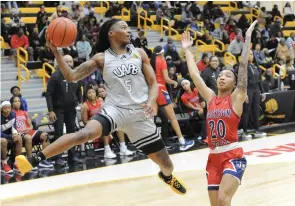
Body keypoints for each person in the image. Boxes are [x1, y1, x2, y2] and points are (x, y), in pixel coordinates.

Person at [16, 19, 186, 195]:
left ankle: (166, 176)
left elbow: (153, 83)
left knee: (167, 165)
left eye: (128, 28)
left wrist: (151, 101)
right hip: (115, 110)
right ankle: (33, 160)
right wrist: (56, 53)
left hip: (140, 113)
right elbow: (72, 76)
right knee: (84, 134)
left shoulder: (140, 53)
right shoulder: (101, 58)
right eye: (123, 27)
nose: (129, 31)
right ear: (111, 33)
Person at [181, 20, 259, 205]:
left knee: (224, 199)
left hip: (232, 154)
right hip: (213, 156)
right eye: (221, 75)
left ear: (234, 83)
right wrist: (187, 50)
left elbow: (242, 65)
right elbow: (194, 75)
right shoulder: (210, 98)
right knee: (217, 204)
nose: (223, 77)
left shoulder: (237, 96)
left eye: (228, 75)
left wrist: (247, 39)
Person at [151, 46, 195, 151]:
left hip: (151, 90)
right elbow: (166, 78)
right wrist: (174, 82)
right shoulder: (161, 61)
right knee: (172, 117)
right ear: (162, 53)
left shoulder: (149, 61)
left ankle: (152, 144)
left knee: (152, 118)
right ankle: (182, 142)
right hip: (161, 89)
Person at [45, 55, 83, 166]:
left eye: (70, 61)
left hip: (71, 108)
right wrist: (51, 110)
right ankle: (58, 158)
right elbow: (48, 95)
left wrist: (80, 102)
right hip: (58, 109)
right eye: (66, 62)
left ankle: (72, 156)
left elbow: (79, 90)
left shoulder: (76, 75)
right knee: (59, 133)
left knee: (72, 133)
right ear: (61, 63)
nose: (69, 64)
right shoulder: (55, 76)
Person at [81, 86, 133, 158]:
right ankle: (107, 150)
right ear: (86, 95)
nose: (91, 94)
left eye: (93, 92)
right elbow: (84, 121)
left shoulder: (100, 100)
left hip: (105, 121)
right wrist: (94, 123)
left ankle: (123, 147)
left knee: (119, 125)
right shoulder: (85, 105)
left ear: (95, 93)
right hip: (93, 126)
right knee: (103, 125)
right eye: (89, 93)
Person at [10, 96, 53, 168]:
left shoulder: (24, 112)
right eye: (15, 101)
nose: (18, 103)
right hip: (18, 133)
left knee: (45, 135)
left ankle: (43, 159)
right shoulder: (10, 113)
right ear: (12, 103)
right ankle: (30, 160)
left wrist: (29, 128)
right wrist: (20, 131)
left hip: (28, 131)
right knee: (28, 137)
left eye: (19, 101)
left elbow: (31, 126)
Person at [1, 101, 22, 173]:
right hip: (3, 137)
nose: (7, 110)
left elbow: (14, 127)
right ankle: (4, 164)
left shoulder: (13, 114)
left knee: (19, 138)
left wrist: (15, 134)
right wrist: (10, 136)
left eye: (9, 108)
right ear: (1, 109)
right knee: (3, 140)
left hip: (9, 137)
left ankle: (16, 163)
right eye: (5, 108)